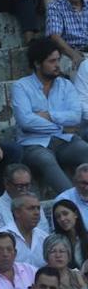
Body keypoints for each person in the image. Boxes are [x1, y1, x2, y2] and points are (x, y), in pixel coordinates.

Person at [14, 38, 88, 192]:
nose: (57, 65)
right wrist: (61, 126)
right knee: (46, 159)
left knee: (84, 149)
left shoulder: (66, 85)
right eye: (52, 61)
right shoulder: (21, 86)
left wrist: (47, 115)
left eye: (58, 60)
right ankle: (73, 205)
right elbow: (25, 121)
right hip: (33, 144)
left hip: (64, 141)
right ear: (37, 63)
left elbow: (75, 117)